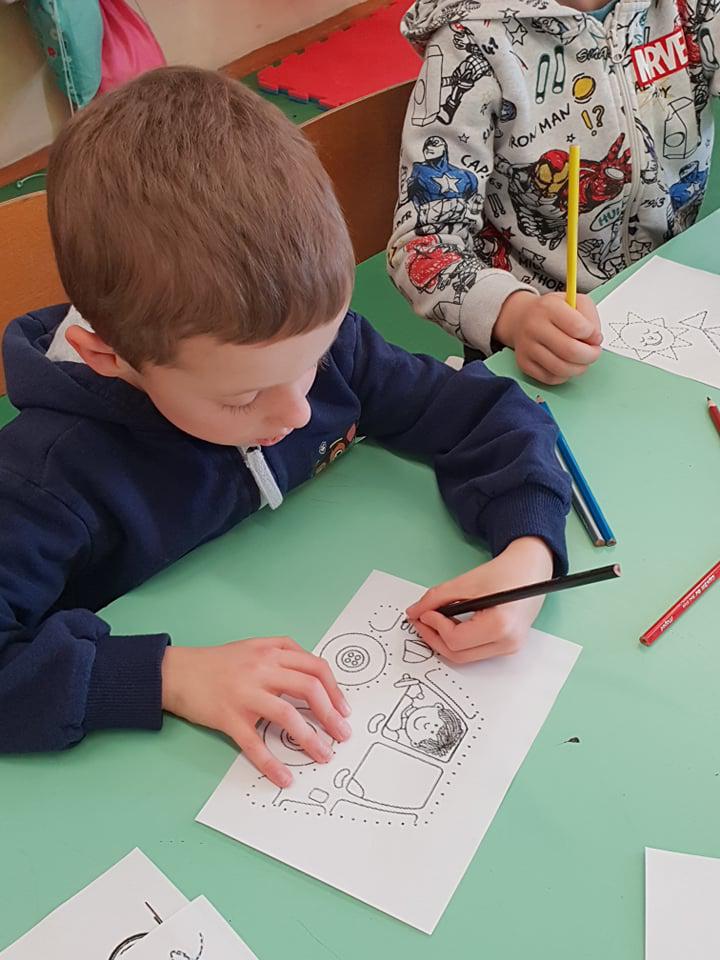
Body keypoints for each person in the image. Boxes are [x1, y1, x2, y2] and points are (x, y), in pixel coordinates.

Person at [0, 67, 570, 787]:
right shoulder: (44, 477)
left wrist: (528, 555)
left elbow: (485, 411)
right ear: (108, 358)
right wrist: (166, 675)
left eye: (312, 364)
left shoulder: (308, 346)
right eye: (244, 398)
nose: (300, 411)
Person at [389, 0, 719, 383]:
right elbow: (421, 243)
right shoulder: (468, 40)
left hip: (672, 298)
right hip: (539, 338)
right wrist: (514, 315)